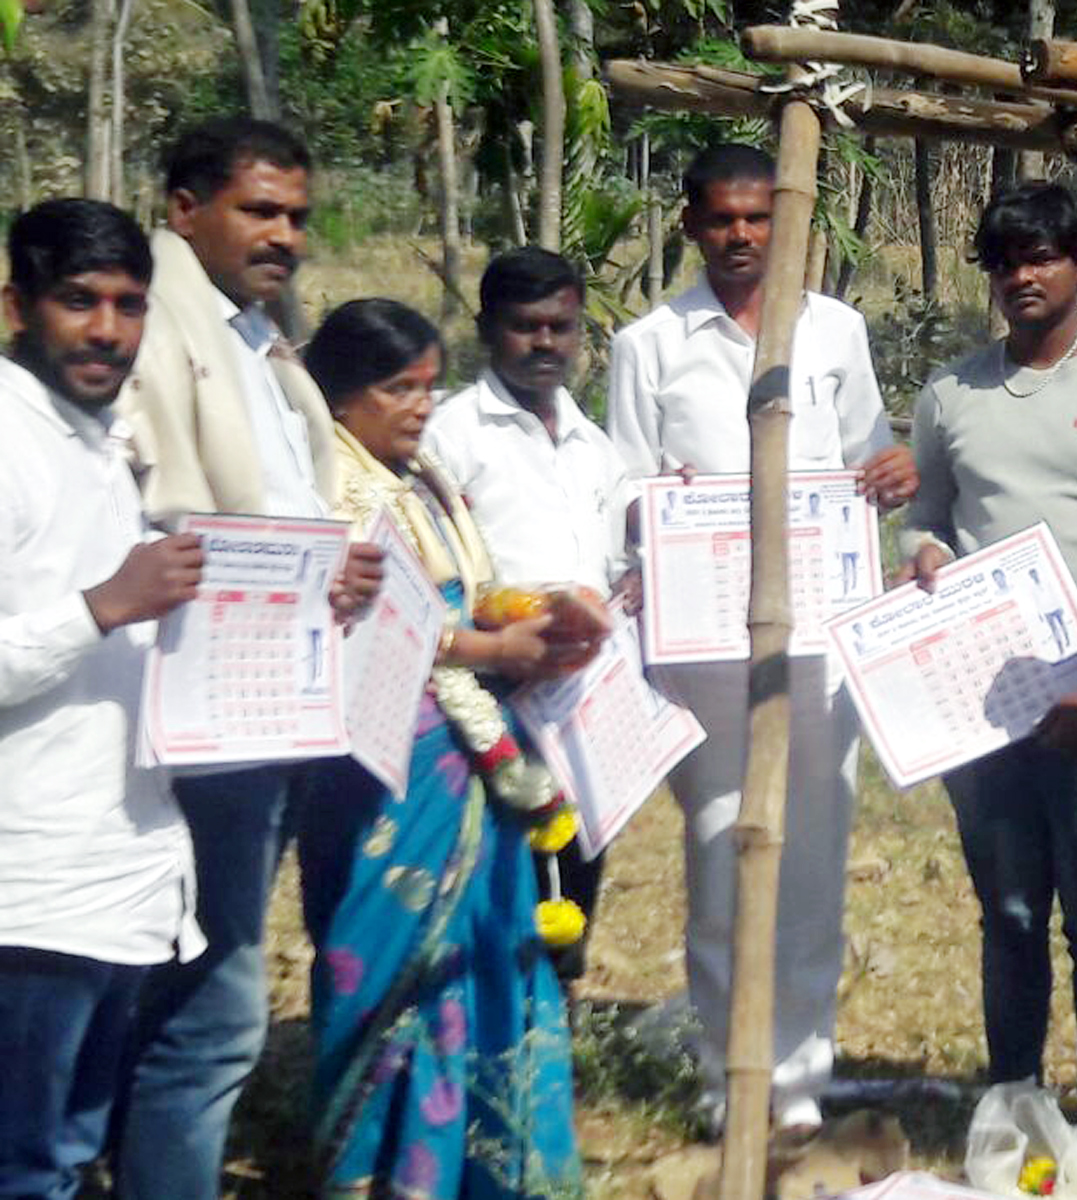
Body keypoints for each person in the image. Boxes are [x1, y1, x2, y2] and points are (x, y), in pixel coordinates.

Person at [607, 142, 917, 1134]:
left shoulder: (832, 329)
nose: (743, 238)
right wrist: (659, 517)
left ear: (787, 227)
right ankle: (725, 1080)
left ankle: (800, 1087)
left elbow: (869, 449)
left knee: (816, 858)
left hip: (820, 639)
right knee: (720, 855)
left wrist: (891, 474)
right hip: (705, 643)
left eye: (760, 220)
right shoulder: (649, 343)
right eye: (723, 220)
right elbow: (620, 483)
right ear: (691, 226)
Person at [112, 117, 384, 1200]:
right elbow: (155, 520)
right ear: (184, 210)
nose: (286, 236)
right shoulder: (147, 326)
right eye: (259, 210)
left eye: (299, 217)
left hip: (264, 703)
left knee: (178, 997)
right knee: (215, 1013)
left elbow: (285, 517)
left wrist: (331, 572)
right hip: (191, 707)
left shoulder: (253, 344)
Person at [897, 181, 1077, 1161]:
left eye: (1043, 258)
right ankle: (1012, 1103)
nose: (1022, 277)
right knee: (1010, 912)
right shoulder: (950, 394)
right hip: (984, 704)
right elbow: (926, 516)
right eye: (1004, 262)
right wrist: (922, 552)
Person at [294, 298, 597, 1197]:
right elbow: (377, 623)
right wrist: (493, 650)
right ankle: (375, 1167)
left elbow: (468, 592)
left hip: (475, 758)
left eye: (428, 385)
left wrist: (533, 617)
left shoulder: (422, 474)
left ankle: (472, 1161)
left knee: (479, 949)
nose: (420, 406)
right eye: (397, 388)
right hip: (387, 757)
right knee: (387, 955)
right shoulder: (331, 486)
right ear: (340, 396)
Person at [0, 199, 205, 1200]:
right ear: (16, 305)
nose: (109, 330)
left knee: (71, 1158)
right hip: (28, 889)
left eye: (129, 305)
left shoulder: (99, 440)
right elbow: (93, 612)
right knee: (26, 1165)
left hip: (121, 873)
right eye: (79, 302)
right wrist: (102, 606)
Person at [424, 246, 633, 986]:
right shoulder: (450, 435)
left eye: (561, 327)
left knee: (576, 862)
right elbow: (432, 570)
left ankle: (554, 1021)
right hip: (488, 693)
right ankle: (484, 1022)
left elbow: (610, 565)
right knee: (492, 868)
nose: (545, 343)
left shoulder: (593, 444)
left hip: (583, 702)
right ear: (488, 329)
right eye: (525, 327)